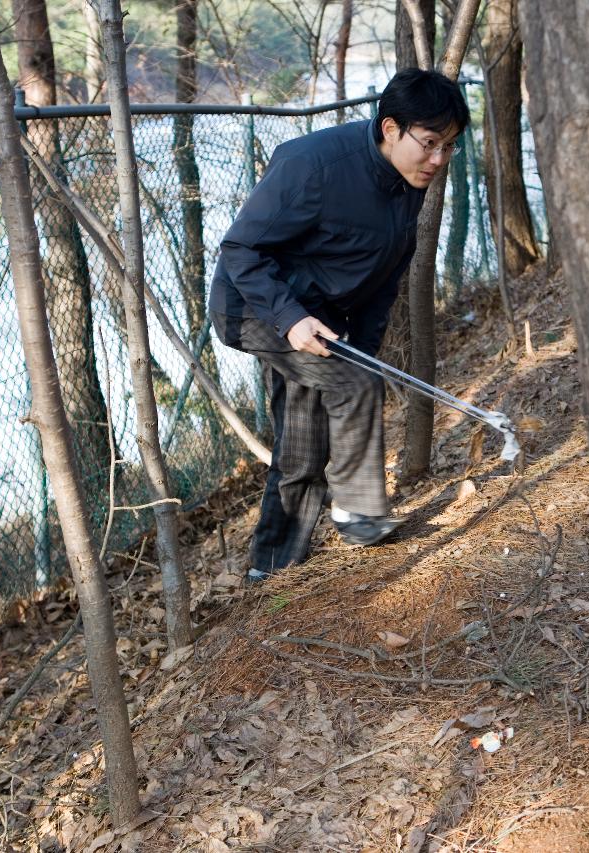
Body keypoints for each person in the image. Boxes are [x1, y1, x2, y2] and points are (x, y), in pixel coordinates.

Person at [210, 68, 470, 582]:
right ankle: (360, 514)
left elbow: (385, 277)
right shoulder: (315, 165)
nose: (439, 160)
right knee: (353, 383)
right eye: (431, 143)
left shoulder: (408, 179)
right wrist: (289, 320)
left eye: (450, 147)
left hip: (321, 319)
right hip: (256, 306)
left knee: (303, 445)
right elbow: (241, 248)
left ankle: (273, 569)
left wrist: (363, 347)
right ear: (391, 128)